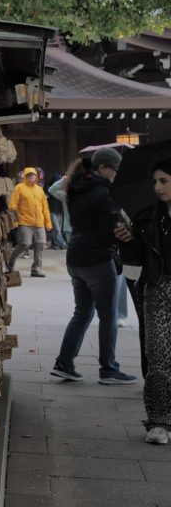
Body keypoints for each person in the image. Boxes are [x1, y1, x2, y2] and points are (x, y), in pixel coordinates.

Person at [51, 149, 137, 386]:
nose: (117, 174)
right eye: (116, 170)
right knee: (108, 316)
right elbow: (112, 227)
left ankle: (64, 363)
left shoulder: (76, 189)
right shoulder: (103, 193)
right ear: (103, 168)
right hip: (98, 259)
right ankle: (108, 369)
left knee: (82, 312)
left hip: (76, 257)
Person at [116, 158, 171, 444]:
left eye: (164, 181)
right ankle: (159, 422)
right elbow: (135, 258)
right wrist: (127, 240)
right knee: (158, 356)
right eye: (155, 181)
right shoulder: (146, 217)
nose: (158, 187)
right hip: (157, 289)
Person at [8, 166, 52, 277]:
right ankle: (10, 262)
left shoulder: (39, 190)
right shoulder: (19, 188)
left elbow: (45, 208)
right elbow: (12, 205)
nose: (31, 177)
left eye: (33, 175)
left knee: (41, 244)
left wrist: (48, 222)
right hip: (24, 222)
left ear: (36, 177)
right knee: (24, 244)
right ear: (25, 176)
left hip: (39, 223)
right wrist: (14, 221)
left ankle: (36, 269)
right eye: (29, 175)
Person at [47, 173, 70, 251]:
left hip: (60, 211)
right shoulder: (51, 188)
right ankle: (61, 243)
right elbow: (51, 190)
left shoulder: (64, 191)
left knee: (58, 229)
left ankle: (56, 244)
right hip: (52, 210)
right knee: (56, 228)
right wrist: (62, 180)